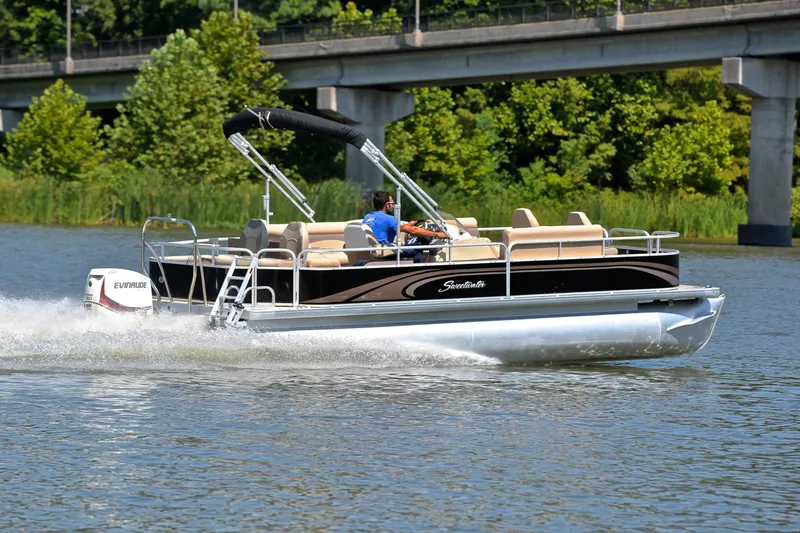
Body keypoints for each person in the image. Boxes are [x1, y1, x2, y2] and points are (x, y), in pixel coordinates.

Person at [362, 191, 449, 261]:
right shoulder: (389, 218)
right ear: (387, 205)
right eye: (392, 203)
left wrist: (407, 225)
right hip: (384, 253)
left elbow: (385, 228)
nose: (392, 206)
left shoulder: (368, 217)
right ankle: (416, 272)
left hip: (374, 252)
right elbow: (414, 231)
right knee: (418, 247)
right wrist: (437, 234)